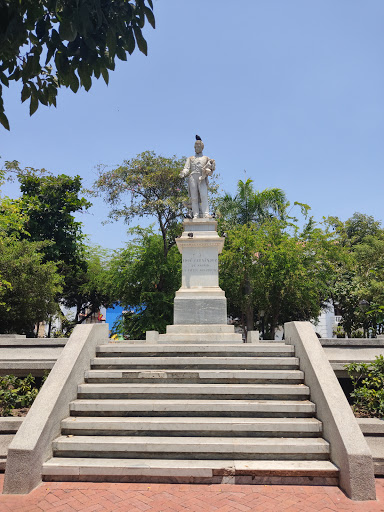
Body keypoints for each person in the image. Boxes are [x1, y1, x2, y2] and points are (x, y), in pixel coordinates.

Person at [180, 136, 215, 218]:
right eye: (195, 146)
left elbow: (210, 169)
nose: (196, 148)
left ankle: (206, 214)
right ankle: (195, 215)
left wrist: (209, 171)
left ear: (202, 147)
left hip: (202, 178)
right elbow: (186, 168)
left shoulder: (206, 158)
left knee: (203, 195)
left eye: (198, 146)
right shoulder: (190, 158)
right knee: (194, 197)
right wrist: (183, 173)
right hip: (192, 177)